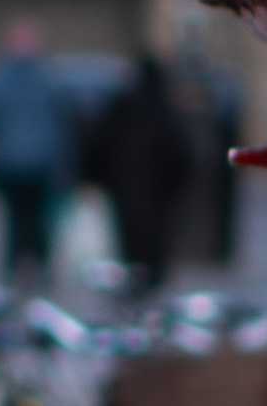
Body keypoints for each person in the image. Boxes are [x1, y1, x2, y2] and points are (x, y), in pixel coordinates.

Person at [81, 41, 203, 290]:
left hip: (124, 193)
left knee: (129, 248)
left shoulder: (121, 106)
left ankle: (134, 287)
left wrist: (99, 179)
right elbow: (182, 154)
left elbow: (97, 144)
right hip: (158, 198)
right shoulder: (164, 110)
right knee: (154, 253)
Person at [0, 18, 76, 283]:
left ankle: (17, 264)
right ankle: (35, 265)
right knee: (34, 218)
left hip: (14, 160)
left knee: (17, 218)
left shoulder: (1, 77)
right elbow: (64, 119)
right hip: (36, 160)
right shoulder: (49, 77)